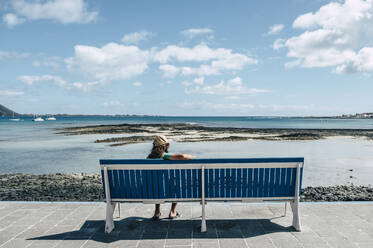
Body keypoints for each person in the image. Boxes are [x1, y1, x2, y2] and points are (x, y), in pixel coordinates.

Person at [147, 135, 195, 220]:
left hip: (152, 191)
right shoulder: (164, 156)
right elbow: (182, 157)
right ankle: (172, 212)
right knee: (176, 185)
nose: (168, 146)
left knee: (157, 184)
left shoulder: (148, 158)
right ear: (164, 146)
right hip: (167, 190)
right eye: (167, 144)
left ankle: (157, 212)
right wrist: (192, 157)